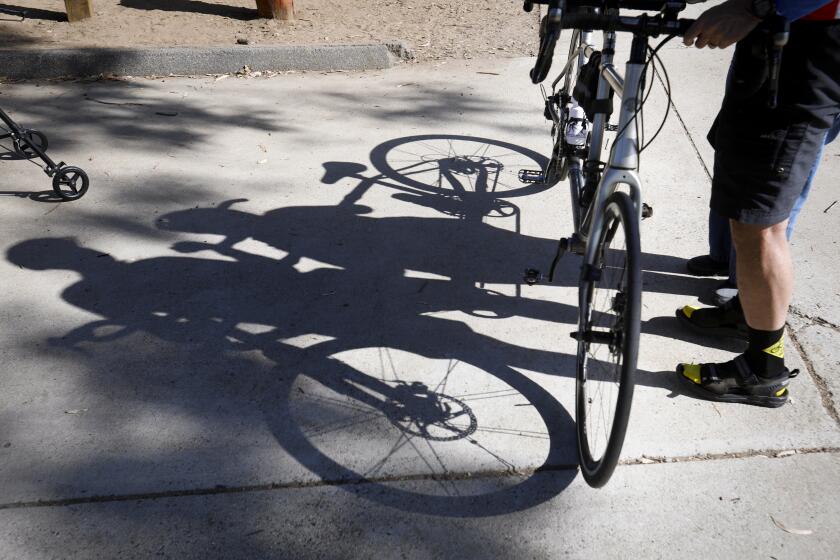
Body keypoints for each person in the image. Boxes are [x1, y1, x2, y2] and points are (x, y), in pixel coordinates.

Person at [675, 0, 840, 406]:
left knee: (762, 223)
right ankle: (750, 311)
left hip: (804, 52)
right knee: (747, 205)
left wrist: (756, 8)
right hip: (776, 46)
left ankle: (763, 371)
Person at [687, 114, 840, 306]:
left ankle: (748, 289)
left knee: (772, 201)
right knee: (734, 169)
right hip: (758, 91)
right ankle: (724, 256)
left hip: (804, 101)